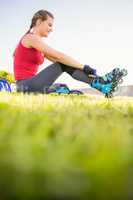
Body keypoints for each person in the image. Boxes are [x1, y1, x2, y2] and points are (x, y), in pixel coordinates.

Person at [13, 9, 117, 97]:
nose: (51, 29)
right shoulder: (31, 38)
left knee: (63, 87)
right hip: (26, 85)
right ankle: (101, 83)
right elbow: (59, 57)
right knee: (62, 63)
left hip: (29, 86)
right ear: (39, 21)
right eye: (49, 25)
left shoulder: (38, 44)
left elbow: (63, 61)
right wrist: (83, 67)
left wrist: (85, 69)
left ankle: (102, 84)